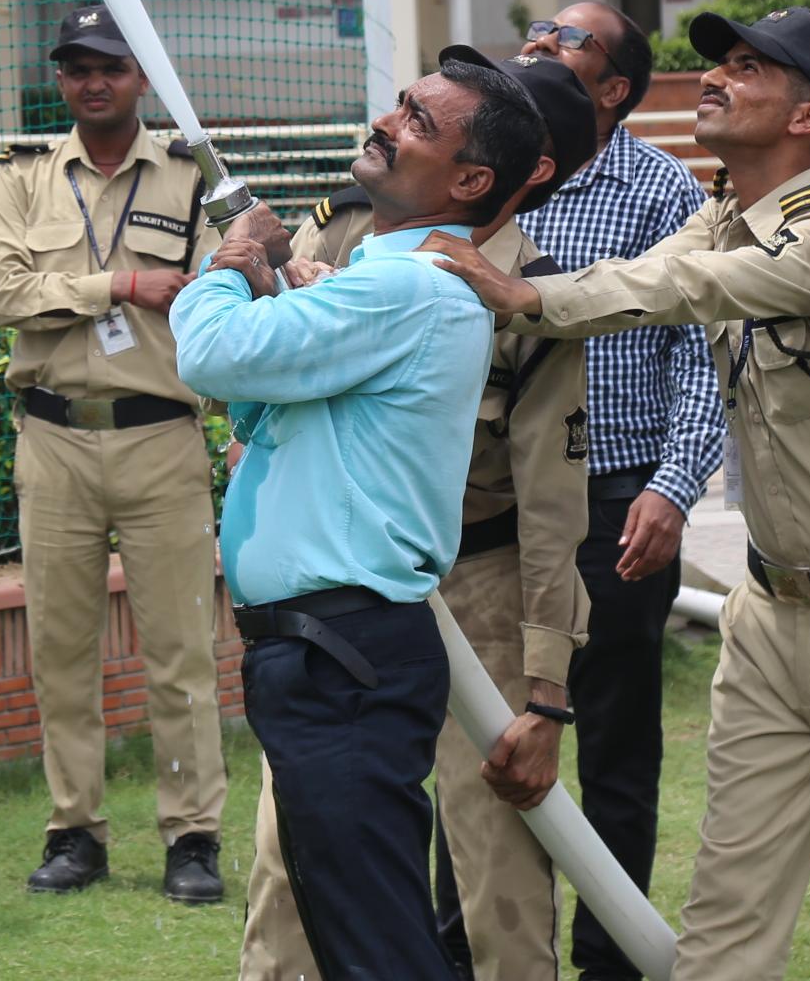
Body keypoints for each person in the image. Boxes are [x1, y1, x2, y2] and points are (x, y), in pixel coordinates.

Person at [432, 8, 810, 981]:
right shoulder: (721, 213)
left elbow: (689, 290)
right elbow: (654, 271)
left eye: (747, 68)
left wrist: (529, 298)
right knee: (728, 919)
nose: (714, 79)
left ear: (807, 116)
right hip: (769, 617)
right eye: (719, 63)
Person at [174, 56, 549, 981]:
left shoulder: (407, 288)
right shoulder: (373, 284)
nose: (387, 121)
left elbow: (212, 355)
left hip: (341, 654)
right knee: (357, 939)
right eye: (402, 105)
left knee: (378, 949)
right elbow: (259, 415)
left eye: (419, 122)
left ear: (470, 182)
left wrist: (231, 263)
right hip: (323, 652)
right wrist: (284, 294)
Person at [0, 5, 224, 904]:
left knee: (181, 653)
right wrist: (119, 284)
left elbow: (219, 295)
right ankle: (74, 830)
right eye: (78, 67)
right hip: (53, 440)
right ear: (60, 78)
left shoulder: (193, 175)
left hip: (161, 438)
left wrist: (83, 292)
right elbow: (3, 296)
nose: (93, 82)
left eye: (111, 67)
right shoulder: (23, 178)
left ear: (141, 78)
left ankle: (191, 836)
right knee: (61, 651)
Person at [511, 1, 716, 981]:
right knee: (483, 737)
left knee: (615, 752)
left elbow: (706, 357)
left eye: (568, 38)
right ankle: (475, 953)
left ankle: (609, 964)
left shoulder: (664, 191)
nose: (540, 41)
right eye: (541, 27)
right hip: (496, 509)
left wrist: (672, 489)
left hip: (614, 507)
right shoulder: (488, 171)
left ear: (616, 89)